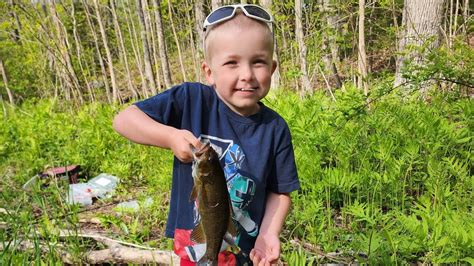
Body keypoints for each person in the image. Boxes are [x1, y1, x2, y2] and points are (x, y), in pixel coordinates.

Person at [113, 4, 300, 265]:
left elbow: (280, 191)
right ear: (209, 72)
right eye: (231, 63)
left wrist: (269, 234)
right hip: (194, 243)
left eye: (258, 62)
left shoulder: (275, 128)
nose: (247, 75)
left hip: (247, 248)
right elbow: (124, 120)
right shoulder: (191, 100)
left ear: (272, 68)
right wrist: (169, 137)